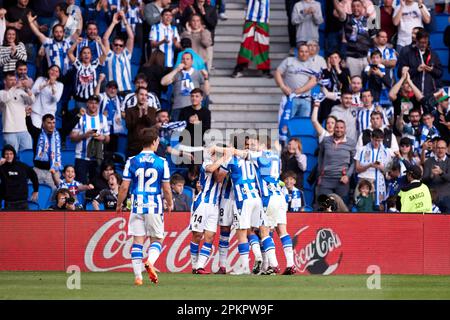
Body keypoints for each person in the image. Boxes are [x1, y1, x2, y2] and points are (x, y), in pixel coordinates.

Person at [116, 127, 173, 286]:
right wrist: (170, 203)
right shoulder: (161, 162)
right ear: (155, 142)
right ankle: (150, 262)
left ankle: (138, 277)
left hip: (136, 205)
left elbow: (124, 187)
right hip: (154, 205)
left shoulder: (131, 161)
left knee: (137, 241)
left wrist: (119, 204)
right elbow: (167, 188)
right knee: (157, 239)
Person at [215, 139, 280, 275]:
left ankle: (244, 267)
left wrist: (220, 160)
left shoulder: (231, 159)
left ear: (233, 147)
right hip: (257, 197)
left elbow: (219, 178)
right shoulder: (254, 159)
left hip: (242, 199)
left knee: (242, 232)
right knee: (262, 231)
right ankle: (272, 264)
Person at [248, 135, 297, 275]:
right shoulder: (276, 156)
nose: (252, 147)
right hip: (279, 196)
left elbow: (242, 154)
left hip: (268, 197)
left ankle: (274, 265)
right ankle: (291, 264)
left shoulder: (259, 156)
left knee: (264, 232)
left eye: (254, 144)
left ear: (263, 146)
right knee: (282, 231)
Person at [189, 147, 231, 274]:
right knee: (197, 235)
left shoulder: (222, 166)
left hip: (214, 206)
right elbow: (211, 169)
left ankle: (200, 266)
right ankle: (194, 265)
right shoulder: (207, 162)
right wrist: (225, 157)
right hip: (202, 203)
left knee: (210, 236)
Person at [70, 94, 111, 184]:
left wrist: (102, 137)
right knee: (80, 185)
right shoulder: (81, 118)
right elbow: (72, 138)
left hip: (97, 158)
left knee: (95, 186)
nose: (93, 105)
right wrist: (85, 135)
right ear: (87, 104)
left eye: (96, 103)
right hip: (81, 157)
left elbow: (108, 138)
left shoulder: (102, 118)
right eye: (91, 103)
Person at [160, 51, 209, 121]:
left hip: (193, 109)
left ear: (192, 61)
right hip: (177, 108)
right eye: (183, 59)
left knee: (195, 131)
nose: (185, 61)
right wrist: (176, 69)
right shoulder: (176, 73)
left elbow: (206, 92)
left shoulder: (198, 73)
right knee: (176, 131)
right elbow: (163, 82)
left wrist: (206, 78)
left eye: (187, 59)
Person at [230, 0, 273, 78]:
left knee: (263, 46)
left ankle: (265, 69)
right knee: (246, 45)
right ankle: (240, 67)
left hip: (263, 20)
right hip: (250, 18)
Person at [317, 120, 356, 204]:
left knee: (341, 208)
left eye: (341, 128)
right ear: (334, 128)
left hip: (342, 180)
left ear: (345, 129)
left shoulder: (351, 143)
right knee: (324, 206)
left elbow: (354, 162)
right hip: (326, 179)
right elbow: (320, 157)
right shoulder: (326, 140)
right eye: (337, 127)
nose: (339, 130)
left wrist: (347, 176)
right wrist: (320, 172)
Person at [333, 0, 376, 77]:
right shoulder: (347, 19)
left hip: (367, 58)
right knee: (354, 83)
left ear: (362, 7)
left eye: (358, 6)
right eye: (353, 6)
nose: (356, 8)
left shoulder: (369, 21)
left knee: (366, 82)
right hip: (352, 58)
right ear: (351, 8)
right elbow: (339, 11)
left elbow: (374, 39)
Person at [275, 43, 317, 118]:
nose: (304, 54)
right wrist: (282, 86)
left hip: (305, 99)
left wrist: (301, 90)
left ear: (309, 53)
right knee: (287, 123)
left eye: (306, 51)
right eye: (301, 51)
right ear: (297, 52)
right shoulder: (289, 60)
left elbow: (313, 81)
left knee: (302, 125)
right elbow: (277, 72)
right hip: (290, 98)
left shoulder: (312, 64)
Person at [354, 129, 392, 208]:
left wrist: (380, 167)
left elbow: (388, 170)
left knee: (375, 208)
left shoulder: (386, 151)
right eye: (375, 140)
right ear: (371, 138)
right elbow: (357, 169)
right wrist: (369, 165)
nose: (377, 143)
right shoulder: (361, 149)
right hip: (363, 180)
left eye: (379, 141)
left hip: (378, 182)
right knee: (360, 206)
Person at [25, 111, 62, 191]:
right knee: (32, 194)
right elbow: (30, 126)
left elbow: (68, 128)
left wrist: (78, 116)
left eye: (53, 123)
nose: (52, 125)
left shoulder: (58, 134)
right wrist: (28, 115)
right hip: (38, 170)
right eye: (49, 123)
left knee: (55, 196)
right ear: (43, 123)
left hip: (53, 172)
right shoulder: (37, 133)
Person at [68, 37, 107, 110]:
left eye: (88, 53)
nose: (86, 55)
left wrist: (100, 43)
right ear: (80, 55)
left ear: (91, 56)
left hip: (92, 101)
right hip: (79, 101)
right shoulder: (77, 64)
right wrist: (76, 43)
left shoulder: (95, 65)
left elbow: (105, 54)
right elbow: (69, 53)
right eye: (84, 53)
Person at [0, 71, 34, 152]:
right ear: (5, 81)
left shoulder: (20, 92)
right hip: (9, 130)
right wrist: (15, 87)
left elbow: (31, 101)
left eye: (15, 80)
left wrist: (26, 88)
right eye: (11, 80)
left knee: (27, 155)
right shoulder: (1, 93)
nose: (14, 82)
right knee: (12, 156)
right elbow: (6, 98)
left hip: (23, 129)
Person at [102, 11, 135, 95]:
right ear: (112, 45)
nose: (118, 47)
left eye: (121, 45)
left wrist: (124, 19)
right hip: (112, 91)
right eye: (116, 44)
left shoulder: (126, 54)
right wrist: (113, 23)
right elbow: (105, 38)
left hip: (127, 90)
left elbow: (131, 37)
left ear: (123, 47)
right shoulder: (109, 55)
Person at [403, 29, 443, 97]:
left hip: (430, 93)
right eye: (421, 42)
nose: (424, 45)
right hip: (412, 93)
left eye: (426, 42)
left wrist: (431, 70)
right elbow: (400, 73)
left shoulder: (433, 55)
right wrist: (416, 70)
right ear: (416, 41)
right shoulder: (408, 54)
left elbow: (440, 73)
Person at [0, 143, 38, 210]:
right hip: (9, 203)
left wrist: (36, 190)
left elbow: (33, 175)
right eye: (6, 154)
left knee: (26, 220)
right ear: (3, 155)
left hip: (23, 202)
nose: (9, 156)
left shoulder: (21, 166)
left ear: (14, 155)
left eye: (11, 154)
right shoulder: (1, 167)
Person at [178, 88, 211, 164]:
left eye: (197, 96)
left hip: (198, 145)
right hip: (185, 144)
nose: (194, 98)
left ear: (201, 98)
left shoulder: (206, 112)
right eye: (192, 96)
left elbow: (207, 129)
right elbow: (179, 128)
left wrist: (198, 124)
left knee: (197, 169)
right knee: (184, 169)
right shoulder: (184, 110)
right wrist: (189, 122)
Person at [96, 76, 125, 159]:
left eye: (114, 88)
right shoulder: (102, 97)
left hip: (115, 131)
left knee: (112, 154)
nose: (112, 90)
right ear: (106, 89)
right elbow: (95, 96)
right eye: (110, 88)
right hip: (103, 130)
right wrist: (99, 82)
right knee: (103, 153)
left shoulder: (119, 99)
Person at [125, 87, 157, 157]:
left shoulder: (152, 110)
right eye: (141, 94)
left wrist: (145, 113)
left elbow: (152, 124)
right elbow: (129, 126)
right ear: (136, 95)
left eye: (146, 95)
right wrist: (139, 116)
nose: (144, 97)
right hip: (133, 146)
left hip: (148, 146)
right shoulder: (129, 110)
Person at [422, 138, 450, 212]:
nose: (440, 150)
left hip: (446, 198)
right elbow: (423, 180)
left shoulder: (449, 161)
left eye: (443, 148)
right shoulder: (429, 161)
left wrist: (441, 173)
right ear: (435, 148)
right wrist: (431, 176)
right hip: (432, 199)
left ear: (446, 149)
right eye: (438, 148)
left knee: (446, 222)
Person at [362, 50, 392, 115]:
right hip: (371, 98)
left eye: (377, 57)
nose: (375, 60)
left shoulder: (386, 70)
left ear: (381, 59)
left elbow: (389, 84)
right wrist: (368, 74)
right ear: (370, 59)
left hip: (384, 98)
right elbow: (363, 84)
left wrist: (380, 74)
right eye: (373, 58)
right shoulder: (366, 69)